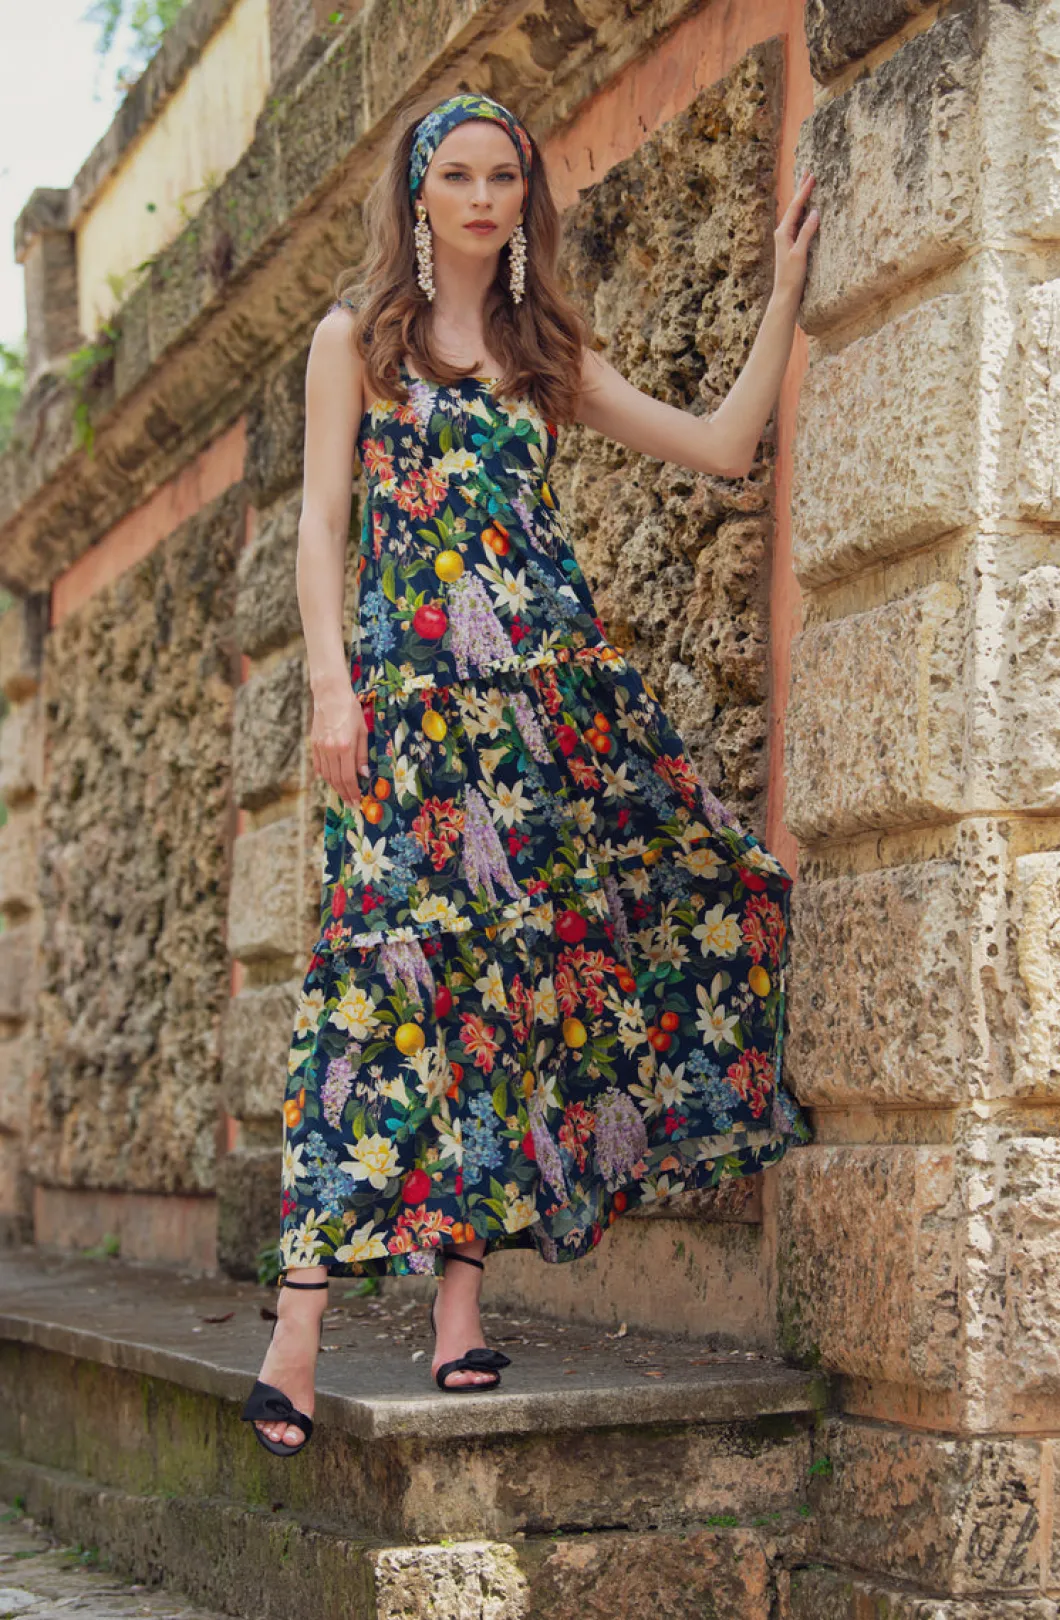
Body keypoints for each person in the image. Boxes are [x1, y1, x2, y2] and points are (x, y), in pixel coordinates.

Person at [241, 90, 819, 1454]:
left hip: (538, 730)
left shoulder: (545, 352)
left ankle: (461, 1314)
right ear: (418, 194)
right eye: (458, 176)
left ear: (524, 199)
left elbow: (723, 445)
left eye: (504, 177)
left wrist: (787, 291)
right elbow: (322, 529)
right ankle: (297, 1326)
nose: (483, 198)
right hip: (403, 719)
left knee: (503, 994)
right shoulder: (356, 343)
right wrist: (328, 683)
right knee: (375, 991)